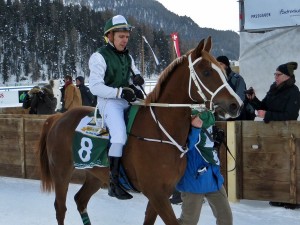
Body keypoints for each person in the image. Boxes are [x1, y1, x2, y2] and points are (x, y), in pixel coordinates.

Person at [89, 15, 144, 200]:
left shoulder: (128, 56)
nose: (125, 40)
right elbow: (95, 87)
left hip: (125, 98)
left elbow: (132, 76)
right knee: (119, 135)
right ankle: (113, 182)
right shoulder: (98, 56)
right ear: (110, 36)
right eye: (121, 36)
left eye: (127, 37)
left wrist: (136, 81)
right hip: (108, 101)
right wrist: (119, 92)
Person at [246, 62, 300, 209]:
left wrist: (267, 114)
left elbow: (291, 115)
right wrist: (253, 99)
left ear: (286, 76)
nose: (275, 77)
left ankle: (291, 199)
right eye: (275, 74)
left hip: (287, 134)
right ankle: (278, 196)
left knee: (289, 167)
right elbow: (264, 106)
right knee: (274, 166)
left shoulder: (294, 91)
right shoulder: (273, 88)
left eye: (278, 74)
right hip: (272, 134)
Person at [176, 110, 233, 225]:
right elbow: (186, 146)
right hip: (193, 183)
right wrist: (196, 128)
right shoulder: (183, 125)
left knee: (226, 219)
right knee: (188, 222)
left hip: (213, 180)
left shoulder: (207, 120)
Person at [217, 55, 255, 121]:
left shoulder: (237, 79)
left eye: (221, 64)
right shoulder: (217, 80)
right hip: (222, 114)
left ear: (227, 65)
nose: (219, 66)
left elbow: (240, 96)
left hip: (237, 113)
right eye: (217, 64)